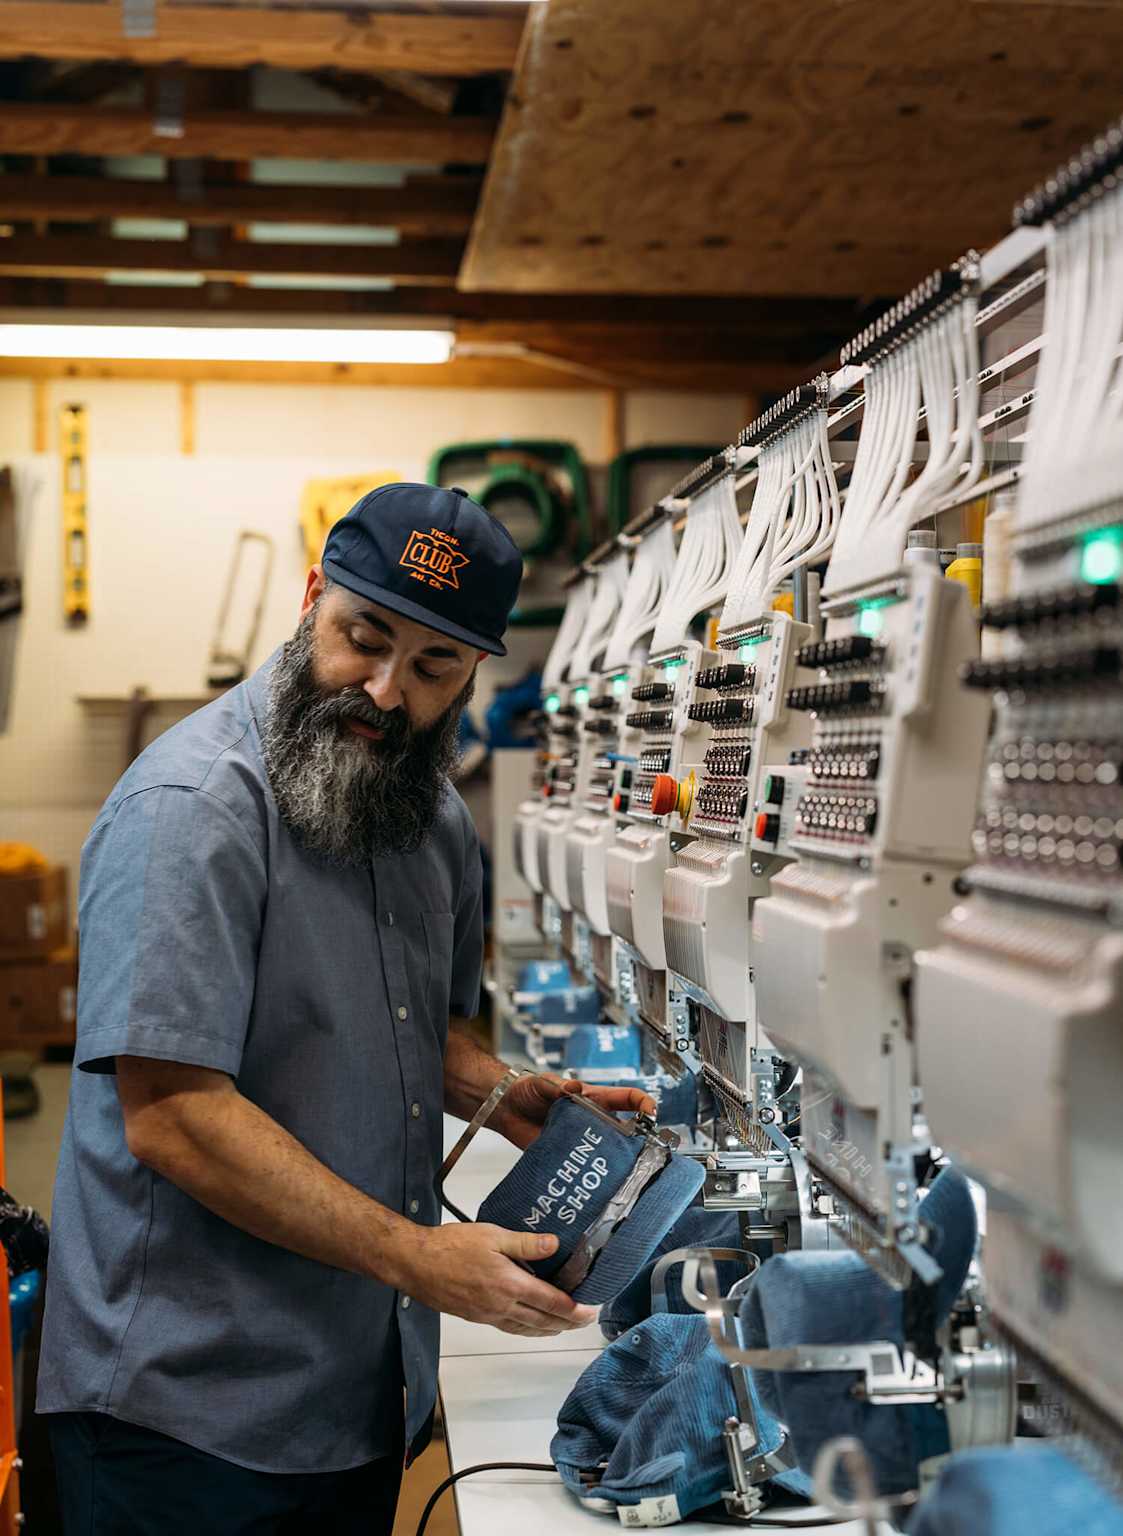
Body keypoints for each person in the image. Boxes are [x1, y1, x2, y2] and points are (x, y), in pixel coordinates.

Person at [37, 483, 655, 1535]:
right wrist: (422, 1258)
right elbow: (174, 1111)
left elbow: (408, 1027)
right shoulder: (191, 812)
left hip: (357, 1393)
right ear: (311, 597)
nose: (383, 689)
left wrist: (502, 1094)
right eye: (361, 638)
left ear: (474, 670)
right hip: (183, 1413)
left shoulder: (432, 823)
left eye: (433, 667)